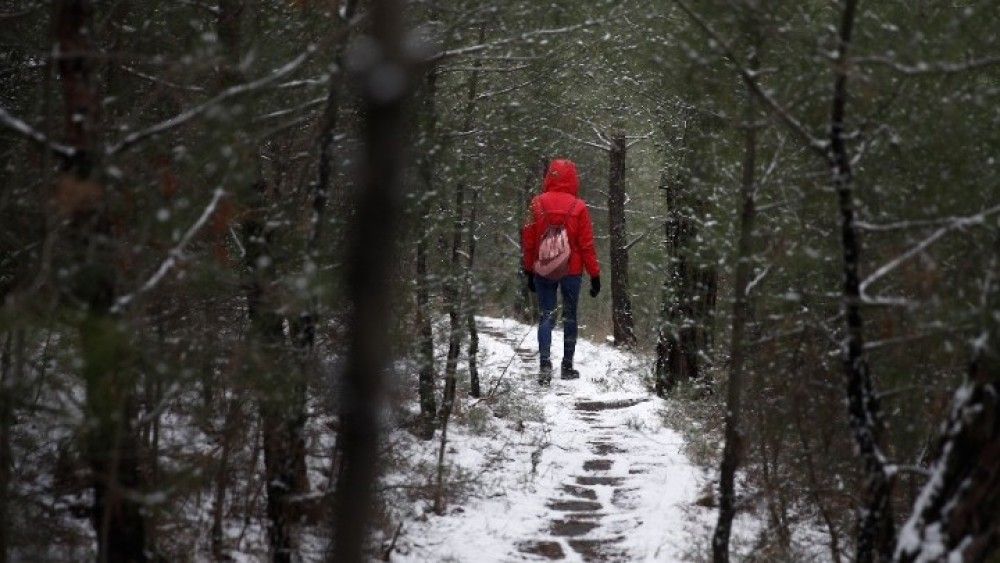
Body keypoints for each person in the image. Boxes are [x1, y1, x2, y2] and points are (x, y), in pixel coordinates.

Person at [522, 158, 601, 384]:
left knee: (546, 315)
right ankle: (567, 366)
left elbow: (528, 241)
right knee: (569, 316)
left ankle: (545, 364)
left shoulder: (535, 204)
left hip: (543, 268)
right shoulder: (579, 207)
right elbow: (586, 245)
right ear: (573, 179)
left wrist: (529, 270)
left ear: (549, 177)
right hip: (572, 271)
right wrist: (595, 274)